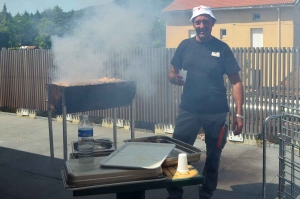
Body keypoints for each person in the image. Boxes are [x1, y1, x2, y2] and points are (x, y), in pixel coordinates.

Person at [166, 5, 244, 199]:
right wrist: (173, 78)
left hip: (216, 112)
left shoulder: (222, 48)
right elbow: (171, 72)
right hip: (189, 110)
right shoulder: (184, 45)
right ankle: (175, 192)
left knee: (214, 154)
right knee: (179, 153)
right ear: (193, 24)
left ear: (212, 24)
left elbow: (236, 82)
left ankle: (206, 192)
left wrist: (239, 113)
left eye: (205, 22)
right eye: (198, 21)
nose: (202, 25)